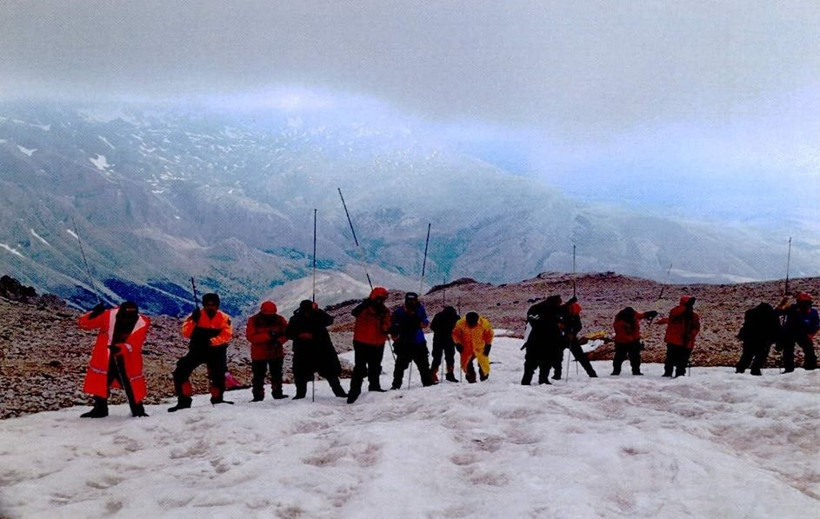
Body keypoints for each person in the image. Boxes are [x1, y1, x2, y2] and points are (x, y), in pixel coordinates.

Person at [78, 301, 150, 418]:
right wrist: (93, 314)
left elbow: (135, 342)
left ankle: (138, 411)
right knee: (101, 381)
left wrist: (121, 348)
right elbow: (84, 324)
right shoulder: (108, 315)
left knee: (130, 384)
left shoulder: (142, 322)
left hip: (127, 358)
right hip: (106, 356)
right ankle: (100, 409)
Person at [168, 293, 234, 412]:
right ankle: (184, 401)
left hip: (216, 351)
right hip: (197, 350)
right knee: (180, 371)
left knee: (218, 375)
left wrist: (211, 341)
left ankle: (217, 399)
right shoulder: (195, 316)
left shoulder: (224, 318)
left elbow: (226, 335)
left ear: (217, 305)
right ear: (203, 305)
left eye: (213, 304)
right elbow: (186, 333)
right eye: (207, 305)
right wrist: (194, 320)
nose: (210, 307)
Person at [286, 299, 347, 399]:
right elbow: (288, 333)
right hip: (305, 352)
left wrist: (318, 310)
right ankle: (300, 394)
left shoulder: (318, 315)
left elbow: (329, 320)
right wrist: (300, 335)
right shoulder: (295, 319)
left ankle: (339, 393)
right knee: (301, 375)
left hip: (321, 351)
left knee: (330, 373)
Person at [347, 287, 392, 404]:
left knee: (374, 367)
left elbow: (387, 326)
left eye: (384, 299)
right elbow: (354, 313)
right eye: (381, 298)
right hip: (364, 342)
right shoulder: (365, 307)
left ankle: (373, 388)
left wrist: (387, 327)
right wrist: (368, 303)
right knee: (360, 368)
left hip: (373, 342)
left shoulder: (383, 310)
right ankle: (354, 392)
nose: (382, 300)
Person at [246, 300, 289, 401]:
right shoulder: (254, 320)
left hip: (274, 352)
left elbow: (287, 333)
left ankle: (277, 393)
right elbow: (251, 337)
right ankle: (258, 396)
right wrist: (269, 336)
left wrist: (279, 341)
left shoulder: (280, 319)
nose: (270, 316)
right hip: (260, 354)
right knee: (259, 377)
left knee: (276, 375)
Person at [390, 292, 435, 389]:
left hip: (418, 342)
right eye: (409, 300)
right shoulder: (399, 311)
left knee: (423, 365)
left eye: (413, 300)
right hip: (404, 342)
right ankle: (396, 385)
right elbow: (394, 326)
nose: (411, 302)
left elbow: (425, 323)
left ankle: (427, 383)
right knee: (400, 366)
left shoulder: (420, 309)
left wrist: (419, 323)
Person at [521, 294, 564, 385]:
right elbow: (533, 319)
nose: (560, 304)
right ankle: (527, 381)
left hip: (549, 341)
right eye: (559, 302)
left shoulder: (556, 309)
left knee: (546, 362)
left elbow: (562, 318)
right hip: (537, 339)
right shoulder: (537, 308)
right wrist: (550, 324)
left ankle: (542, 380)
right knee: (532, 362)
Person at [555, 297, 600, 379]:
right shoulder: (560, 311)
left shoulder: (575, 314)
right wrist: (564, 328)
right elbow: (555, 323)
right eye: (573, 313)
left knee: (580, 356)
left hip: (571, 338)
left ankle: (592, 373)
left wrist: (573, 333)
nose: (574, 314)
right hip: (560, 337)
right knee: (557, 357)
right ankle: (557, 375)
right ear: (570, 309)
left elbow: (579, 326)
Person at [657, 296, 701, 378]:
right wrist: (685, 306)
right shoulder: (677, 312)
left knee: (678, 360)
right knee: (674, 359)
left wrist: (690, 335)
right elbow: (675, 314)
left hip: (681, 341)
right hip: (678, 341)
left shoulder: (692, 315)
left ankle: (675, 375)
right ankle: (671, 374)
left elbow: (696, 327)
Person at [775, 292, 819, 372]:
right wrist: (783, 302)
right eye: (801, 303)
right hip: (789, 332)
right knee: (788, 350)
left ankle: (810, 368)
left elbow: (816, 325)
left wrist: (811, 335)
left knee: (809, 349)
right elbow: (777, 313)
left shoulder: (813, 312)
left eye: (806, 303)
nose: (804, 305)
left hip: (803, 333)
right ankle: (789, 369)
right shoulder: (791, 308)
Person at [735, 302, 780, 375]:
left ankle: (740, 369)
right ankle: (755, 369)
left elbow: (746, 326)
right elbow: (777, 328)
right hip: (764, 339)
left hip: (750, 338)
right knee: (761, 356)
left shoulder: (750, 313)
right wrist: (777, 341)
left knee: (747, 355)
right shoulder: (772, 315)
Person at [611, 306, 658, 376]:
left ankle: (636, 371)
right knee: (619, 357)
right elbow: (622, 335)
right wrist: (635, 342)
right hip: (621, 342)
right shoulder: (619, 323)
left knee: (635, 357)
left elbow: (640, 315)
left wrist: (647, 314)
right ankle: (616, 371)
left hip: (633, 340)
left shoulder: (633, 314)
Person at [452, 311, 494, 383]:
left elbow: (489, 335)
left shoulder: (484, 324)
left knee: (483, 364)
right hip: (466, 348)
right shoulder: (460, 323)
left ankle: (484, 379)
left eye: (473, 323)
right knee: (466, 364)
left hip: (480, 347)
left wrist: (488, 345)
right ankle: (471, 379)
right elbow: (455, 334)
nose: (471, 325)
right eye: (470, 323)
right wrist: (457, 343)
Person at [430, 305, 461, 383]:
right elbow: (459, 330)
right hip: (449, 340)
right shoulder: (456, 317)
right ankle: (450, 374)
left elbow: (432, 327)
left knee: (437, 358)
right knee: (449, 358)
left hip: (439, 339)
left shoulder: (439, 315)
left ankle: (433, 374)